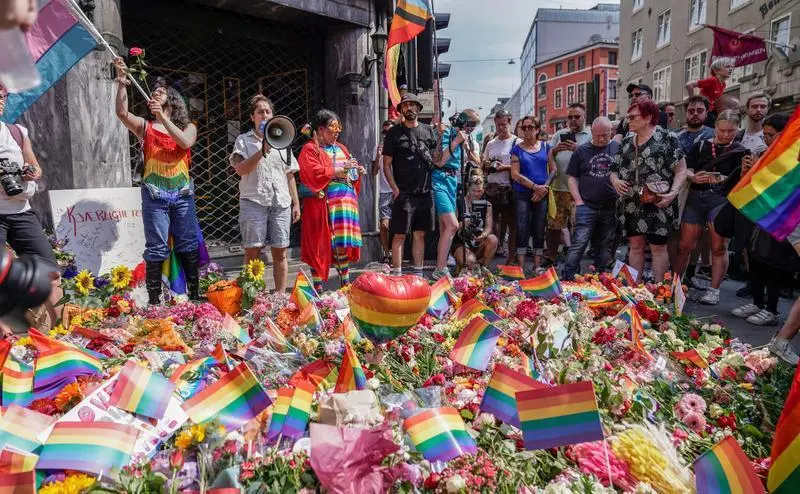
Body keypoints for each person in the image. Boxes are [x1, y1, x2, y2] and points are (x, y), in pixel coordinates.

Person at [114, 58, 200, 303]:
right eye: (155, 91)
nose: (157, 92)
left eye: (163, 91)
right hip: (154, 195)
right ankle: (154, 300)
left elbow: (185, 142)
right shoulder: (146, 127)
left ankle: (194, 294)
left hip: (182, 194)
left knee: (187, 242)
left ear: (172, 100)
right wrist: (121, 82)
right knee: (157, 247)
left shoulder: (189, 127)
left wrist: (162, 117)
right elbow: (121, 113)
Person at [0, 83, 62, 333]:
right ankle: (6, 338)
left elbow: (34, 166)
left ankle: (64, 329)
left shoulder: (17, 131)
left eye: (2, 96)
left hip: (22, 212)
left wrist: (30, 172)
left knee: (51, 273)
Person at [674, 110, 749, 304]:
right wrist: (693, 177)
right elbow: (686, 168)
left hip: (721, 199)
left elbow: (745, 178)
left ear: (737, 129)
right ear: (715, 128)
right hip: (696, 196)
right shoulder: (701, 145)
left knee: (718, 246)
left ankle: (714, 291)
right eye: (722, 130)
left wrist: (725, 179)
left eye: (730, 131)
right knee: (685, 245)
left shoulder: (741, 150)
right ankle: (675, 284)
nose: (725, 134)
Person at [610, 99, 687, 283]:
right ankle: (635, 291)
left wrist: (673, 193)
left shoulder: (668, 138)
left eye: (633, 117)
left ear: (648, 117)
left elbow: (682, 170)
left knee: (658, 248)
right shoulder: (627, 142)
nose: (628, 121)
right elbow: (613, 169)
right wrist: (615, 181)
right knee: (635, 246)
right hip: (631, 203)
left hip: (658, 202)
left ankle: (658, 291)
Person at [230, 95, 301, 293]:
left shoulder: (283, 141)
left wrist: (296, 203)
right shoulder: (243, 141)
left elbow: (289, 176)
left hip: (280, 203)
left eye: (268, 111)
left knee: (281, 251)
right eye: (260, 112)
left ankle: (279, 296)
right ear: (252, 117)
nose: (265, 114)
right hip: (253, 201)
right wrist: (263, 150)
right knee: (252, 251)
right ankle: (252, 296)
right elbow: (241, 169)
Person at [730, 112, 793, 326]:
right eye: (764, 136)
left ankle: (772, 310)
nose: (767, 140)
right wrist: (749, 170)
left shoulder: (792, 157)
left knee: (772, 263)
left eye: (771, 135)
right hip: (759, 213)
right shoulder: (765, 153)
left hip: (781, 218)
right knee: (755, 258)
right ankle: (757, 301)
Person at [298, 109, 364, 293]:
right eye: (332, 127)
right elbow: (311, 172)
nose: (337, 131)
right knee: (320, 245)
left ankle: (345, 286)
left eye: (338, 127)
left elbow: (349, 171)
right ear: (320, 129)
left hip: (345, 202)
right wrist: (337, 171)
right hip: (323, 205)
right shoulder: (310, 149)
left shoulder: (342, 148)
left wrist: (356, 172)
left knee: (341, 245)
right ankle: (318, 289)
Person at [382, 94, 437, 277]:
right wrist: (395, 188)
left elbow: (437, 159)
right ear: (401, 110)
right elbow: (386, 164)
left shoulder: (429, 131)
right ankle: (397, 275)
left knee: (419, 234)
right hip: (403, 192)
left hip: (425, 191)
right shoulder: (394, 133)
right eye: (405, 105)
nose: (410, 108)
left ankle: (418, 275)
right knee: (399, 234)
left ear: (419, 109)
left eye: (413, 105)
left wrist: (446, 137)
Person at [562, 117, 619, 280]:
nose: (601, 139)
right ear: (591, 133)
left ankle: (599, 276)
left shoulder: (618, 148)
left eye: (605, 135)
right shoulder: (582, 151)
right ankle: (568, 275)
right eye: (598, 135)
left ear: (611, 133)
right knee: (579, 242)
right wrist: (578, 201)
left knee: (604, 244)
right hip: (587, 205)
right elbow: (572, 178)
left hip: (610, 205)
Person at [433, 109, 481, 279]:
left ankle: (441, 265)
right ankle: (440, 268)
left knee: (445, 227)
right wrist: (455, 141)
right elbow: (439, 161)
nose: (471, 129)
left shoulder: (466, 138)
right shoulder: (447, 133)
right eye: (470, 125)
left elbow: (476, 163)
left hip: (453, 181)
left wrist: (467, 148)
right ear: (462, 122)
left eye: (474, 126)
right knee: (453, 225)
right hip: (440, 179)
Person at [547, 103, 590, 266]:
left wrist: (578, 149)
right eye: (570, 117)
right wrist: (555, 150)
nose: (573, 120)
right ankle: (551, 258)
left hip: (579, 191)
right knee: (553, 227)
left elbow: (593, 160)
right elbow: (548, 156)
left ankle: (574, 261)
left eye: (577, 117)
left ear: (584, 117)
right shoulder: (559, 134)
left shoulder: (590, 136)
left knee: (577, 228)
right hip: (558, 188)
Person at [510, 115, 554, 271]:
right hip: (522, 192)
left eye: (530, 127)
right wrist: (535, 187)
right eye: (524, 127)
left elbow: (554, 170)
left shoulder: (546, 147)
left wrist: (544, 188)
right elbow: (515, 174)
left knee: (539, 227)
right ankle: (520, 266)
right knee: (522, 227)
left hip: (541, 193)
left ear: (537, 130)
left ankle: (537, 265)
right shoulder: (516, 149)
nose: (526, 130)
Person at [481, 110, 517, 264]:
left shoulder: (517, 142)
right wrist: (487, 165)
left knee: (511, 224)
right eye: (498, 125)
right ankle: (492, 254)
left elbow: (521, 167)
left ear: (510, 122)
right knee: (492, 223)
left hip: (509, 188)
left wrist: (505, 167)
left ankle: (511, 257)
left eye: (504, 124)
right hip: (492, 188)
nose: (501, 128)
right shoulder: (491, 143)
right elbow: (483, 164)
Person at [452, 174, 498, 273]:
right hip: (461, 241)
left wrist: (483, 235)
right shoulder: (459, 203)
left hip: (478, 240)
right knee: (470, 260)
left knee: (493, 239)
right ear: (468, 188)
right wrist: (464, 223)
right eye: (474, 191)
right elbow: (453, 227)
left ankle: (484, 268)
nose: (477, 194)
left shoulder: (487, 205)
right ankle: (466, 264)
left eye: (479, 191)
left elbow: (488, 227)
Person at [685, 57, 735, 125]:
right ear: (716, 70)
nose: (730, 69)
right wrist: (693, 101)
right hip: (706, 112)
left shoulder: (723, 84)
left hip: (714, 112)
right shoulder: (712, 80)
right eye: (727, 67)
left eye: (732, 67)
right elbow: (689, 85)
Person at [372, 119, 395, 264]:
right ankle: (387, 252)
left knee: (398, 226)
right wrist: (378, 156)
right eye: (385, 132)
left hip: (398, 190)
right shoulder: (378, 148)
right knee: (384, 225)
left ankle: (396, 253)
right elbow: (374, 172)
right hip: (385, 192)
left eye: (389, 132)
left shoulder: (398, 146)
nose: (387, 135)